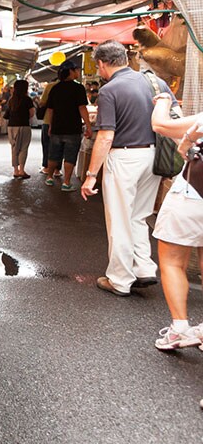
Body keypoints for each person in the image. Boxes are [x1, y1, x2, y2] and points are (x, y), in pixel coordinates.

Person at [80, 40, 174, 296]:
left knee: (120, 219)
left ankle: (119, 279)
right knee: (139, 215)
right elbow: (172, 115)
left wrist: (91, 175)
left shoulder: (110, 90)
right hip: (153, 156)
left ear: (102, 63)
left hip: (124, 158)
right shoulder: (155, 82)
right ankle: (143, 268)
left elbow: (105, 136)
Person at [150, 94, 202, 349]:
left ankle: (180, 328)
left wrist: (163, 102)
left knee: (172, 260)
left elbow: (160, 125)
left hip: (193, 192)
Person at [44, 60, 92, 192]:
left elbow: (50, 109)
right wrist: (88, 125)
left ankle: (49, 177)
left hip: (57, 127)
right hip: (72, 128)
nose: (78, 72)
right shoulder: (78, 88)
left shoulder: (55, 88)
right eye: (77, 69)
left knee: (53, 154)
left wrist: (50, 125)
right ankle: (66, 183)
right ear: (71, 71)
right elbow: (82, 108)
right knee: (70, 156)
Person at [6, 79, 34, 179]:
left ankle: (15, 171)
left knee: (14, 148)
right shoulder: (27, 99)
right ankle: (21, 170)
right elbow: (32, 113)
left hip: (11, 126)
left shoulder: (11, 100)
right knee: (23, 148)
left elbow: (7, 114)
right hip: (23, 126)